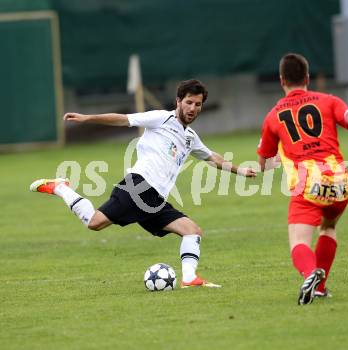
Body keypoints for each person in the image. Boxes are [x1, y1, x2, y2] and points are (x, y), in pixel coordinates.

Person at [30, 79, 256, 288]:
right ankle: (60, 187)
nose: (193, 108)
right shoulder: (161, 118)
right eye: (189, 102)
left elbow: (211, 157)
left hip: (156, 199)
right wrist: (89, 118)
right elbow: (123, 119)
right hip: (138, 187)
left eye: (198, 104)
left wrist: (240, 170)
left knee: (192, 231)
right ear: (178, 101)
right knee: (94, 223)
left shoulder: (191, 137)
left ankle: (189, 278)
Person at [257, 53, 348, 305]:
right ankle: (320, 287)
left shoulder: (273, 116)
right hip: (340, 182)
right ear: (307, 77)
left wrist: (277, 158)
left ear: (282, 80)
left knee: (298, 242)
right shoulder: (328, 101)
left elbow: (264, 162)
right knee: (328, 227)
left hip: (307, 186)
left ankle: (309, 274)